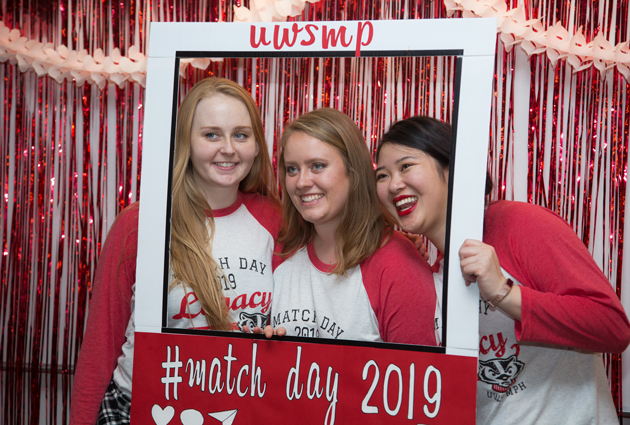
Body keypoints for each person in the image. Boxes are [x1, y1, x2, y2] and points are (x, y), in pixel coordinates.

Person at [374, 115, 630, 424]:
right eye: (382, 176)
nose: (394, 184)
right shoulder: (432, 275)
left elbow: (612, 327)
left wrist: (506, 295)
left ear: (450, 168)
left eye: (406, 166)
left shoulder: (518, 224)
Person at [70, 77, 281, 424]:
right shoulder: (140, 223)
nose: (228, 148)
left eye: (241, 135)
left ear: (257, 146)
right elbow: (101, 344)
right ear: (185, 141)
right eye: (211, 134)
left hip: (238, 409)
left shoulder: (275, 220)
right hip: (140, 408)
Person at [269, 108, 437, 345]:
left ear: (353, 171)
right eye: (292, 169)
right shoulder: (281, 253)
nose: (302, 182)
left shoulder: (397, 266)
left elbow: (415, 376)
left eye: (317, 166)